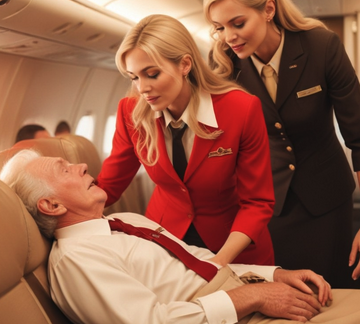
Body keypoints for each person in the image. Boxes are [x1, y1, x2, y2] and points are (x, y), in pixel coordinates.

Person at [0, 150, 360, 324]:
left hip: (241, 296)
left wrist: (274, 274)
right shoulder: (77, 260)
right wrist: (252, 299)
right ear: (51, 207)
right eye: (62, 169)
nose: (78, 166)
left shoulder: (129, 220)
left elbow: (204, 262)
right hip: (232, 315)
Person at [204, 0, 360, 287]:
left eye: (238, 24)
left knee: (336, 295)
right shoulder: (223, 65)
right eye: (219, 28)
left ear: (268, 10)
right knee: (284, 300)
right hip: (267, 207)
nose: (228, 37)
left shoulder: (321, 46)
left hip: (327, 200)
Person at [96, 14, 275, 266]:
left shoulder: (240, 110)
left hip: (233, 245)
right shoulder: (131, 112)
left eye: (152, 74)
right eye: (134, 77)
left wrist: (218, 262)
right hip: (166, 241)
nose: (142, 88)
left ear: (185, 65)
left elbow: (257, 203)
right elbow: (109, 186)